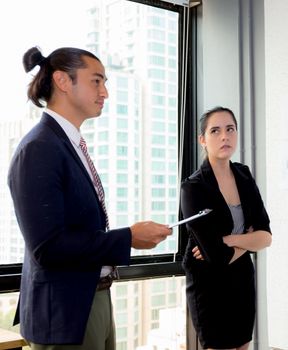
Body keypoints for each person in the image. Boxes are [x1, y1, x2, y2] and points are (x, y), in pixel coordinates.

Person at [8, 46, 172, 350]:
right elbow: (48, 247)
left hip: (91, 298)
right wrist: (129, 238)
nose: (105, 92)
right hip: (65, 312)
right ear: (62, 80)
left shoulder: (68, 143)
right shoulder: (39, 148)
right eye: (96, 81)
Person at [180, 106, 272, 350]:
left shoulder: (243, 174)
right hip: (209, 286)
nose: (225, 136)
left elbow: (266, 237)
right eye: (215, 131)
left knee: (243, 346)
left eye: (230, 129)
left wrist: (230, 240)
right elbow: (216, 258)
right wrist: (247, 239)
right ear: (203, 139)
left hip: (241, 279)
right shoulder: (193, 188)